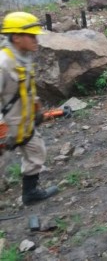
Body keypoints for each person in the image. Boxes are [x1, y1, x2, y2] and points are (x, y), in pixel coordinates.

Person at [0, 12, 58, 205]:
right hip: (5, 128)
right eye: (31, 36)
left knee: (36, 152)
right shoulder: (3, 64)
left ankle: (30, 193)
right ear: (16, 37)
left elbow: (27, 89)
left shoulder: (23, 58)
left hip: (23, 123)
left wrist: (37, 109)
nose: (36, 40)